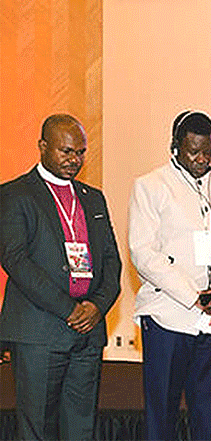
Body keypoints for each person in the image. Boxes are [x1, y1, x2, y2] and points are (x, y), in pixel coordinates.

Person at [128, 111, 211, 440]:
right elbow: (143, 253)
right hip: (169, 316)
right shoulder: (150, 186)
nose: (201, 159)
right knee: (162, 416)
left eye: (206, 152)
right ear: (175, 147)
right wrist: (192, 296)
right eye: (192, 152)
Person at [0, 114, 122, 440]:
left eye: (80, 152)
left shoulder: (92, 197)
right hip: (40, 331)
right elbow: (15, 260)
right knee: (37, 430)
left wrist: (96, 307)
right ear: (42, 147)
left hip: (88, 332)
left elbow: (112, 262)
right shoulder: (15, 194)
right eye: (65, 151)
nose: (74, 160)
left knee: (81, 429)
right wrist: (69, 309)